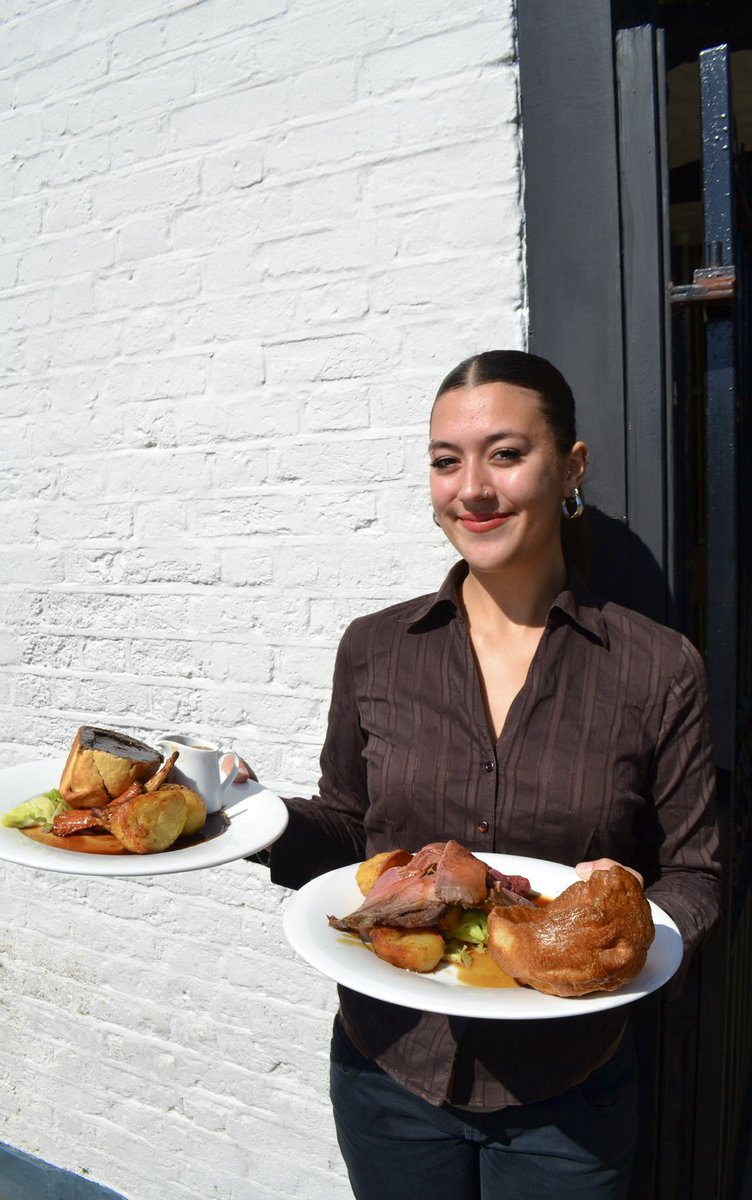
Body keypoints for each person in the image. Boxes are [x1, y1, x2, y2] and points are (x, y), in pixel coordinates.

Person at [250, 350, 721, 1200]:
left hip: (568, 1092)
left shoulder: (658, 669)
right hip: (389, 1071)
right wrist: (250, 820)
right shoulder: (375, 648)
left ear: (570, 467)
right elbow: (351, 831)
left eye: (506, 454)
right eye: (445, 460)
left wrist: (638, 914)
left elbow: (698, 872)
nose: (471, 487)